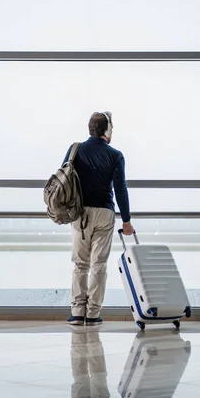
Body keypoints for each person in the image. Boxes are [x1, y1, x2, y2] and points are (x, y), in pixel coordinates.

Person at [63, 112, 134, 326]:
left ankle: (77, 312)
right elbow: (120, 189)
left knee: (80, 264)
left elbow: (64, 178)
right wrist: (127, 220)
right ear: (107, 130)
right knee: (99, 265)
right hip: (104, 212)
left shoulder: (76, 150)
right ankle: (93, 314)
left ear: (90, 128)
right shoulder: (115, 155)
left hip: (81, 212)